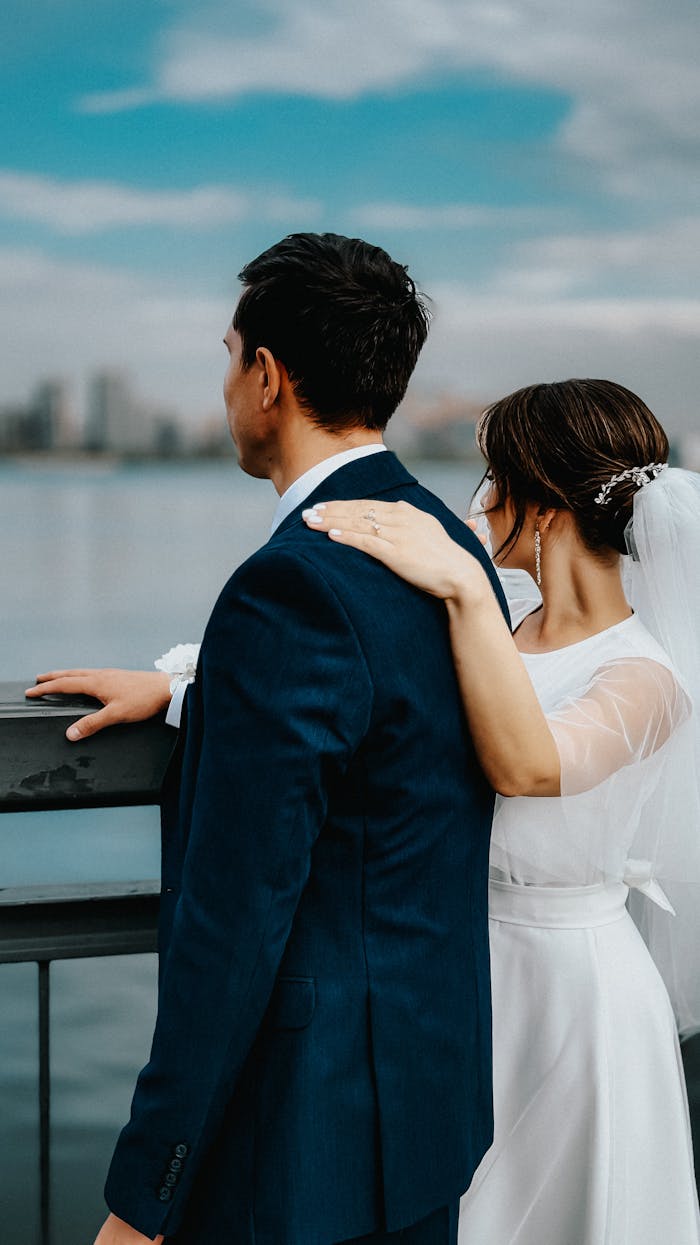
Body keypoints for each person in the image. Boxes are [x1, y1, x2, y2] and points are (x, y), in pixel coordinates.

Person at [27, 233, 509, 1245]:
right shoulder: (444, 539)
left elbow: (235, 915)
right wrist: (188, 694)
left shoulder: (286, 585)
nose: (225, 386)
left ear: (266, 376)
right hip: (425, 1099)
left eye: (226, 356)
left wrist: (143, 1190)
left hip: (301, 1138)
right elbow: (387, 735)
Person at [299, 378, 700, 1244]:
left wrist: (465, 591)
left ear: (547, 508)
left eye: (495, 476)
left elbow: (527, 763)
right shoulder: (506, 623)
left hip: (573, 994)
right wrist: (180, 691)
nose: (478, 500)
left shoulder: (647, 676)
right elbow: (367, 700)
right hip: (464, 972)